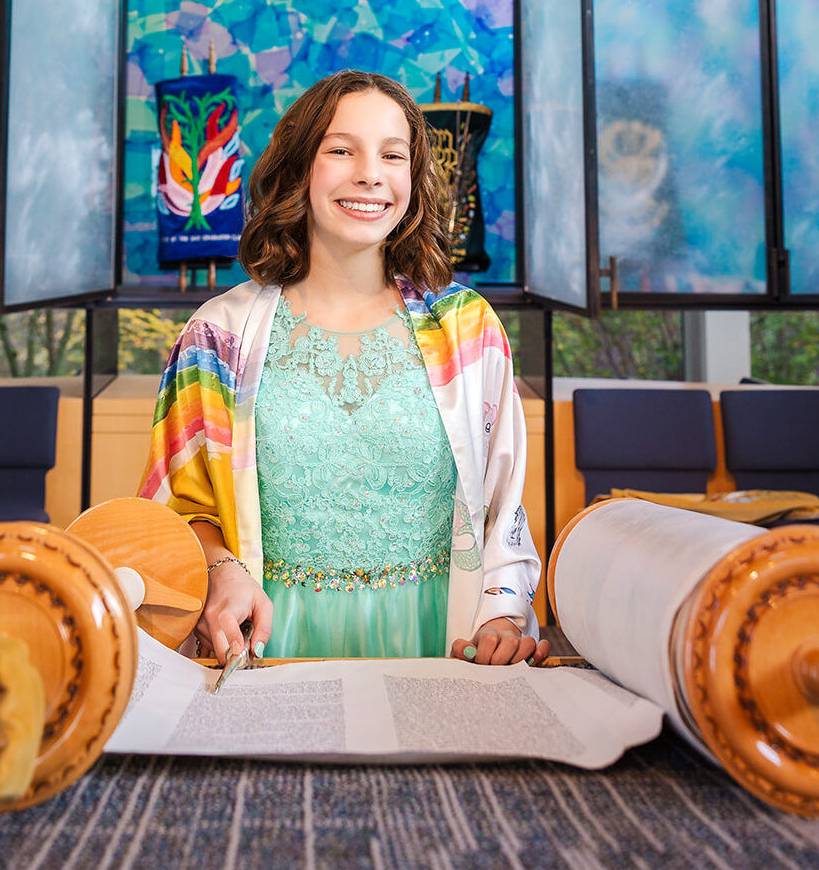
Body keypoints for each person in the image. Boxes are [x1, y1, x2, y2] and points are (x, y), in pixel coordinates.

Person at [139, 69, 546, 669]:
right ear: (299, 167)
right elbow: (178, 510)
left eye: (392, 154)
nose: (370, 174)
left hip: (437, 638)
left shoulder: (469, 330)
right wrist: (220, 573)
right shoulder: (216, 339)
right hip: (271, 645)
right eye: (341, 150)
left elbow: (503, 506)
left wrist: (505, 617)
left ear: (413, 177)